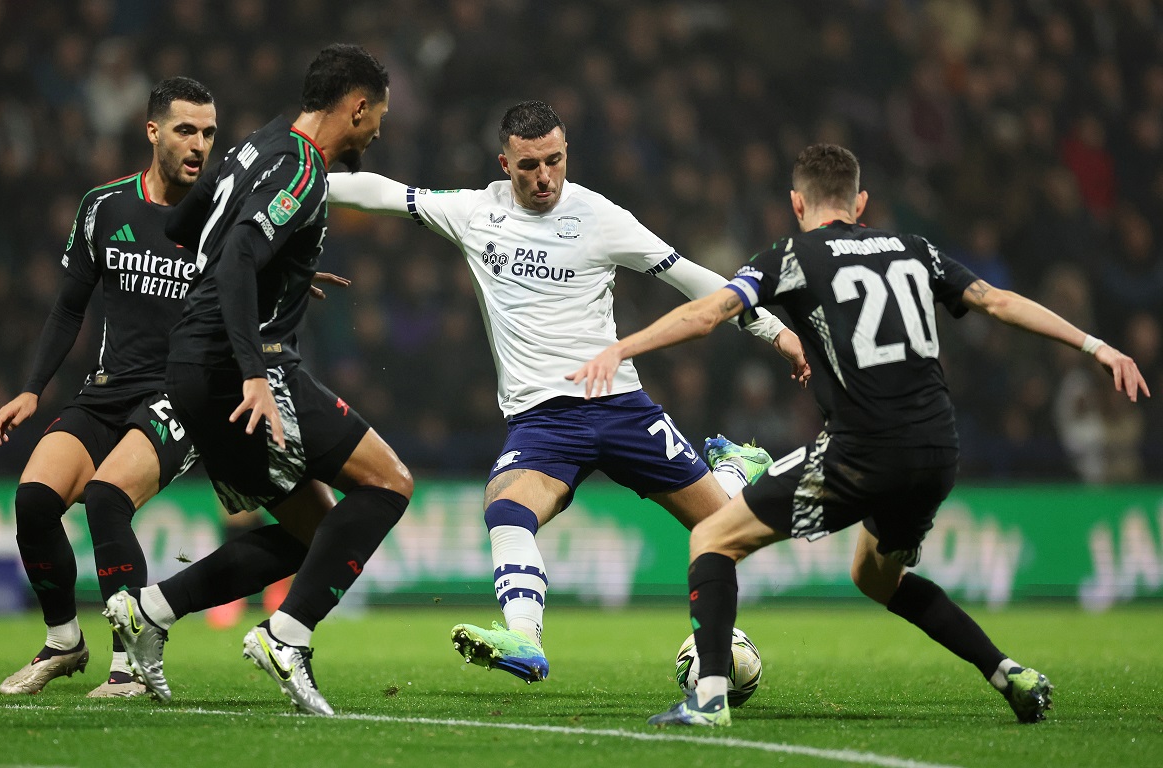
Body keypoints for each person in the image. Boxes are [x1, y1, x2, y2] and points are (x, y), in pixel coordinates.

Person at [568, 144, 1150, 726]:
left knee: (714, 538)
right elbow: (997, 301)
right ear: (860, 201)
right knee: (876, 575)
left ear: (797, 202)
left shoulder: (793, 255)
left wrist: (623, 346)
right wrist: (1095, 345)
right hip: (938, 450)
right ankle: (1009, 674)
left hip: (864, 448)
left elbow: (708, 314)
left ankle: (710, 698)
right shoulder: (912, 248)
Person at [327, 100, 809, 683]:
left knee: (726, 527)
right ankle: (524, 639)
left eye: (554, 161)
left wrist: (776, 330)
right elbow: (384, 193)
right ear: (505, 163)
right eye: (528, 165)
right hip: (543, 421)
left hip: (621, 407)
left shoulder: (599, 216)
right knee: (506, 509)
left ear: (566, 155)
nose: (544, 178)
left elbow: (694, 279)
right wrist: (299, 181)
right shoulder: (475, 213)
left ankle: (734, 471)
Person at [104, 44, 412, 717]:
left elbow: (187, 225)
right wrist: (252, 370)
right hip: (242, 366)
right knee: (389, 484)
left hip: (193, 363)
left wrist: (291, 272)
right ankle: (287, 637)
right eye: (376, 117)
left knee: (314, 531)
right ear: (355, 106)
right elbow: (240, 251)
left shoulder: (255, 145)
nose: (377, 131)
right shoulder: (303, 167)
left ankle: (151, 610)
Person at [0, 77, 219, 698]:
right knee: (35, 500)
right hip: (108, 388)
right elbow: (68, 308)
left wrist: (296, 273)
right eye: (186, 130)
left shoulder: (224, 213)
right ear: (153, 132)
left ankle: (132, 664)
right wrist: (33, 388)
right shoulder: (104, 206)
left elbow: (262, 274)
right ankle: (64, 641)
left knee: (107, 498)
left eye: (209, 133)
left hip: (180, 395)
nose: (199, 145)